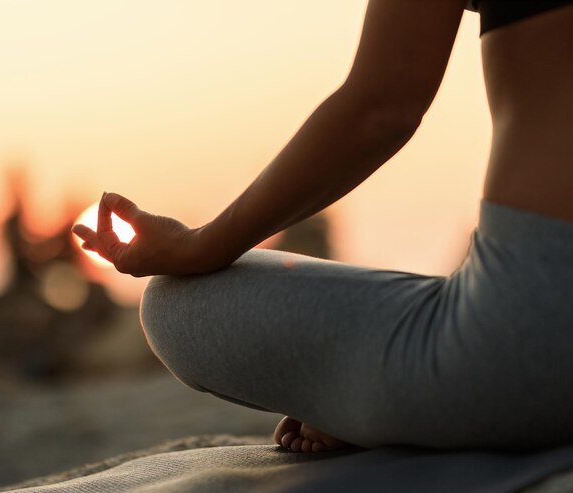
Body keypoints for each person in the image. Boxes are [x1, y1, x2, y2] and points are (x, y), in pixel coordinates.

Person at [72, 0, 573, 453]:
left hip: (539, 338)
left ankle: (373, 404)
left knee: (174, 304)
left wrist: (199, 246)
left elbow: (384, 105)